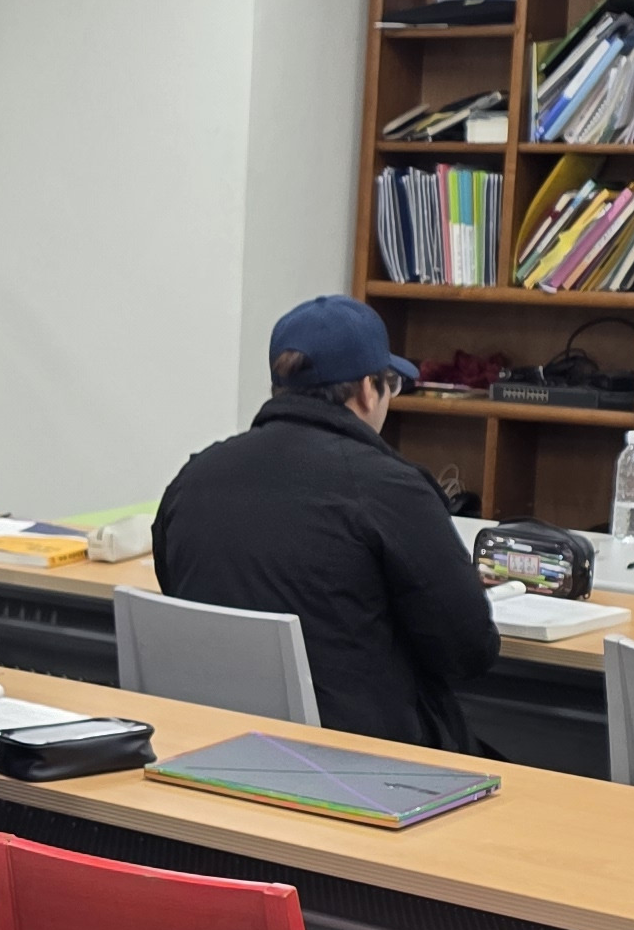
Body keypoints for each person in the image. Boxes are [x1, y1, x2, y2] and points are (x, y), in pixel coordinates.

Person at [150, 295, 503, 751]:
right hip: (362, 768)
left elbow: (176, 588)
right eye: (392, 385)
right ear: (368, 390)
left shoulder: (193, 478)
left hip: (211, 752)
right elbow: (469, 651)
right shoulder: (391, 489)